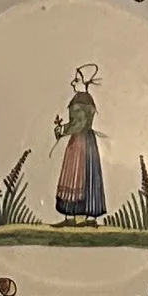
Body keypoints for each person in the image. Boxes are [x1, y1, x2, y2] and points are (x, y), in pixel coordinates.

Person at [52, 66, 106, 220]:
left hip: (81, 142)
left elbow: (79, 123)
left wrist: (62, 129)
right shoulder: (80, 99)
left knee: (79, 175)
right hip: (80, 141)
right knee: (76, 175)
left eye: (76, 80)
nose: (72, 83)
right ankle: (74, 216)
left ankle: (80, 216)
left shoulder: (84, 101)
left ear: (85, 82)